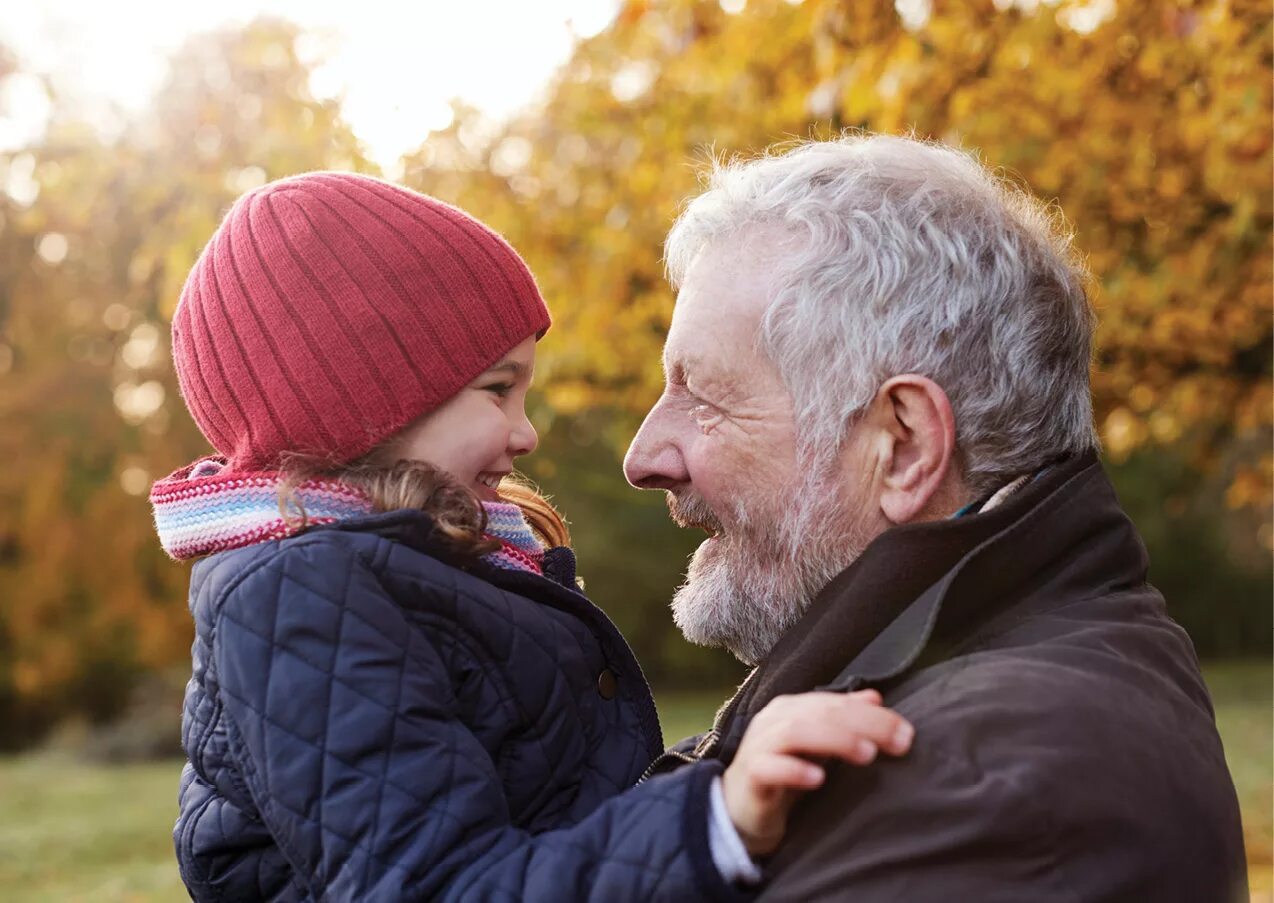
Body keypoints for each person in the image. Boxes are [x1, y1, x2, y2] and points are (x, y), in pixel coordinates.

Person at [151, 172, 914, 901]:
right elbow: (436, 885)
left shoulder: (409, 563)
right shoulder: (301, 595)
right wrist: (713, 818)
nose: (526, 432)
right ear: (366, 406)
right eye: (497, 390)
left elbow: (553, 805)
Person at [623, 134, 1248, 900]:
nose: (645, 454)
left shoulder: (977, 788)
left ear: (906, 445)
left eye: (704, 397)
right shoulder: (940, 709)